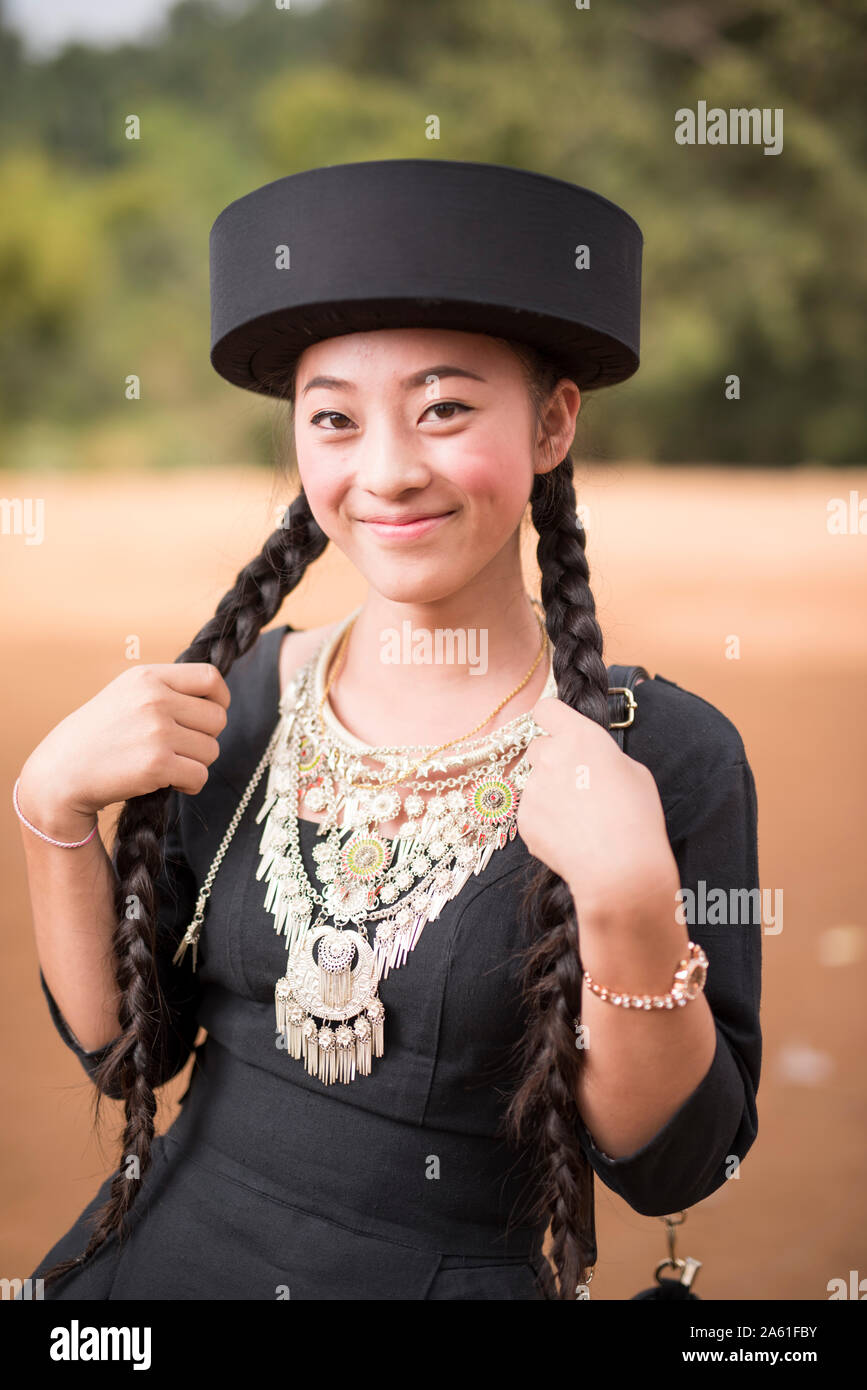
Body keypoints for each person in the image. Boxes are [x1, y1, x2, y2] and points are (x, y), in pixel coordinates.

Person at [17, 160, 761, 1301]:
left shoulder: (659, 756)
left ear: (554, 422)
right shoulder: (244, 698)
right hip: (155, 1271)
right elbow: (132, 1053)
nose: (387, 472)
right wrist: (49, 815)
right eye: (333, 419)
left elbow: (671, 1167)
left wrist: (628, 907)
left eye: (445, 408)